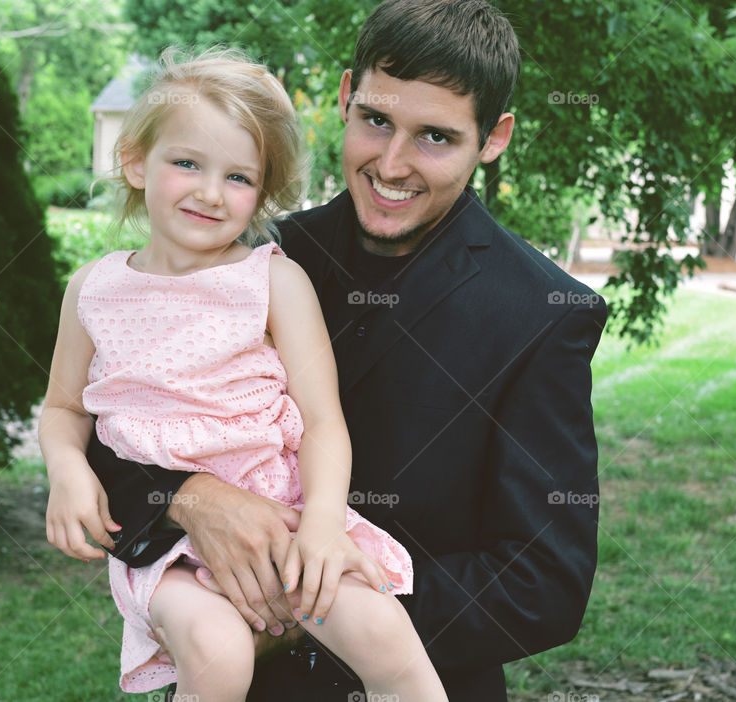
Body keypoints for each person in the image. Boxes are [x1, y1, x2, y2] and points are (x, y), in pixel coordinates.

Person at [86, 1, 608, 700]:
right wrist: (189, 498)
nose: (391, 164)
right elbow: (110, 430)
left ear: (494, 138)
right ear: (344, 97)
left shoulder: (541, 313)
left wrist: (309, 608)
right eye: (376, 121)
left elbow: (542, 585)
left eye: (435, 137)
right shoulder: (252, 256)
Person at [39, 47, 449, 701]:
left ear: (262, 192)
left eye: (238, 177)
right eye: (186, 163)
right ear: (136, 161)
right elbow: (64, 408)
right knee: (219, 653)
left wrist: (321, 524)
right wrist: (66, 470)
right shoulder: (92, 288)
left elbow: (322, 422)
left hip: (284, 516)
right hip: (169, 546)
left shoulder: (273, 282)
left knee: (383, 631)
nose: (210, 192)